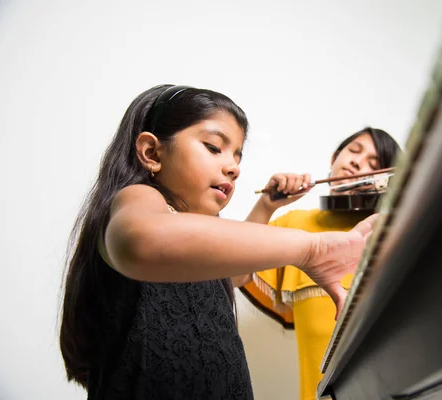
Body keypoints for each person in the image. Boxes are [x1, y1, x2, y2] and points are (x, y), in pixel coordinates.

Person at [59, 85, 377, 400]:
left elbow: (235, 275)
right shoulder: (140, 199)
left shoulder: (205, 230)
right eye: (214, 147)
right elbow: (142, 241)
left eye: (237, 155)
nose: (233, 167)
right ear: (152, 153)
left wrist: (265, 206)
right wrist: (311, 249)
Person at [237, 127, 400, 400]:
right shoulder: (296, 224)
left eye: (375, 164)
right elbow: (233, 273)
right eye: (354, 151)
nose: (358, 163)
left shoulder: (392, 232)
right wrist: (266, 206)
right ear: (335, 158)